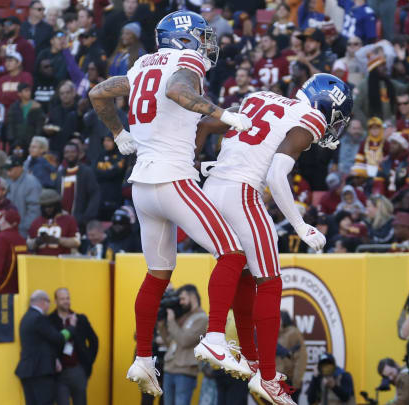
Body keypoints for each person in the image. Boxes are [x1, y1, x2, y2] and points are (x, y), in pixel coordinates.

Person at [89, 10, 253, 398]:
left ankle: (144, 358)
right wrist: (222, 113)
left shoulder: (142, 63)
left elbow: (97, 93)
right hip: (172, 179)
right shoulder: (186, 62)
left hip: (142, 188)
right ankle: (215, 337)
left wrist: (118, 132)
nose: (207, 45)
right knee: (232, 254)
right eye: (202, 36)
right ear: (185, 39)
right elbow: (177, 91)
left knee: (157, 273)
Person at [195, 72, 350, 402]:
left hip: (213, 188)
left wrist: (196, 161)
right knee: (269, 282)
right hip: (242, 194)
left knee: (242, 270)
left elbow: (211, 122)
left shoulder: (259, 96)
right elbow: (277, 175)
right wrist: (300, 225)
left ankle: (250, 359)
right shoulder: (311, 118)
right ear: (327, 106)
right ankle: (264, 374)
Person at [15, 290, 77, 405]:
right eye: (49, 302)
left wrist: (55, 359)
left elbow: (43, 344)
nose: (49, 306)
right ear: (43, 302)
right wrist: (71, 328)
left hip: (28, 372)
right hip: (40, 372)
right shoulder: (39, 318)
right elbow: (58, 338)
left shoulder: (26, 318)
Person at [157, 284, 208, 405]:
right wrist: (161, 324)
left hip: (185, 372)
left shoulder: (201, 318)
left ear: (193, 297)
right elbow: (170, 341)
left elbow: (185, 340)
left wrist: (171, 321)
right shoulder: (182, 316)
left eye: (183, 298)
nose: (181, 302)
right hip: (169, 368)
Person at [48, 288, 99, 405]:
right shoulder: (50, 320)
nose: (66, 301)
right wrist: (54, 360)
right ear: (55, 301)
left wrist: (89, 361)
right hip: (59, 373)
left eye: (67, 298)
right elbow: (47, 345)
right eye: (62, 299)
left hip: (79, 371)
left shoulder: (81, 319)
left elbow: (94, 341)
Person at [55, 142, 100, 231]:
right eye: (67, 152)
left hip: (80, 222)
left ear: (79, 154)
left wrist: (86, 218)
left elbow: (94, 195)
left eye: (72, 152)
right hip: (62, 220)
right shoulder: (60, 174)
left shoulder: (87, 172)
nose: (70, 154)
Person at [27, 189, 80, 255]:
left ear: (57, 205)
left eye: (50, 206)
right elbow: (28, 244)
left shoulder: (69, 220)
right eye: (44, 206)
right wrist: (37, 241)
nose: (47, 209)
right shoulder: (36, 222)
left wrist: (57, 240)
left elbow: (77, 242)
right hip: (41, 261)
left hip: (62, 262)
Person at [4, 155, 41, 237]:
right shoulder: (10, 181)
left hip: (25, 232)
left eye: (10, 170)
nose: (8, 173)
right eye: (7, 170)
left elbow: (35, 211)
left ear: (19, 168)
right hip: (12, 230)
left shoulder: (31, 183)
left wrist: (24, 230)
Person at [277, 311, 307, 401]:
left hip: (289, 381)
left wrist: (296, 383)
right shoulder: (274, 334)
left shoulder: (293, 333)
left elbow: (301, 358)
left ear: (283, 319)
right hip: (277, 382)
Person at [5, 82, 46, 150]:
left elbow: (39, 125)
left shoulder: (36, 106)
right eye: (26, 91)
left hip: (32, 142)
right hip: (16, 142)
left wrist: (36, 140)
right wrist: (12, 140)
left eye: (29, 90)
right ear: (19, 93)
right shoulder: (14, 107)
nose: (29, 92)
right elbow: (10, 124)